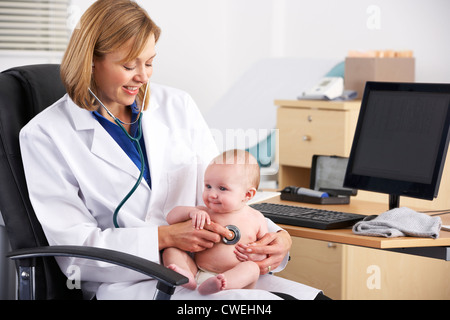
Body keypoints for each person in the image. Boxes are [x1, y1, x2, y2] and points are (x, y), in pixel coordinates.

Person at [19, 0, 321, 300]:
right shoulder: (46, 135)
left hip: (224, 272)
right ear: (91, 60)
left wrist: (276, 238)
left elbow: (224, 191)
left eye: (149, 62)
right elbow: (74, 253)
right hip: (136, 284)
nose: (144, 76)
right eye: (128, 65)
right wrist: (165, 237)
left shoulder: (178, 106)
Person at [163, 150, 267, 295]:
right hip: (198, 270)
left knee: (252, 268)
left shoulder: (256, 218)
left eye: (222, 188)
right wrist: (191, 212)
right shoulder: (204, 212)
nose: (212, 194)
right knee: (170, 250)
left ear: (247, 194)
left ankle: (222, 283)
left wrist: (256, 256)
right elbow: (170, 217)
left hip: (235, 277)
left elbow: (265, 249)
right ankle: (184, 276)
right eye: (208, 186)